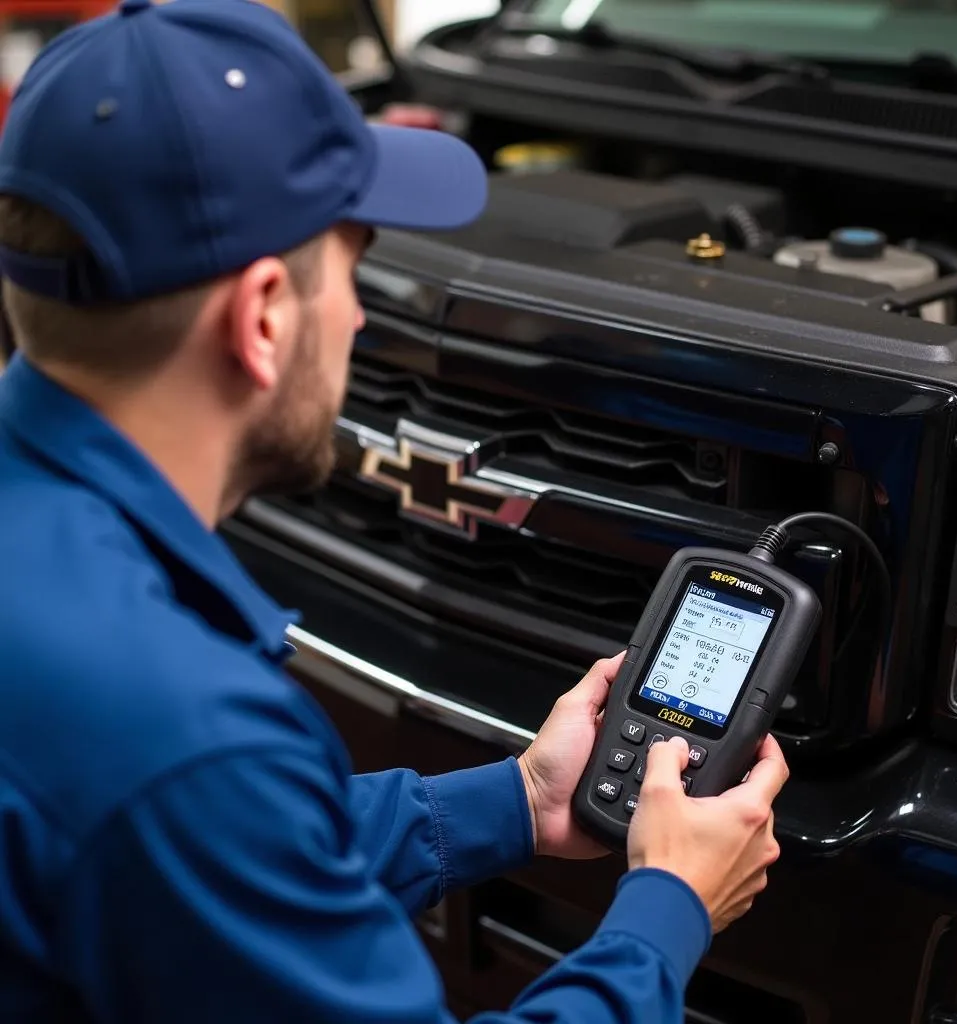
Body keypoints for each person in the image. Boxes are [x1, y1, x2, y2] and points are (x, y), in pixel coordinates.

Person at [0, 1, 787, 1021]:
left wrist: (513, 803)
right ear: (265, 315)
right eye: (356, 262)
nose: (361, 315)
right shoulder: (181, 733)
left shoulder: (110, 670)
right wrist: (666, 912)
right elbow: (195, 800)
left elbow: (224, 849)